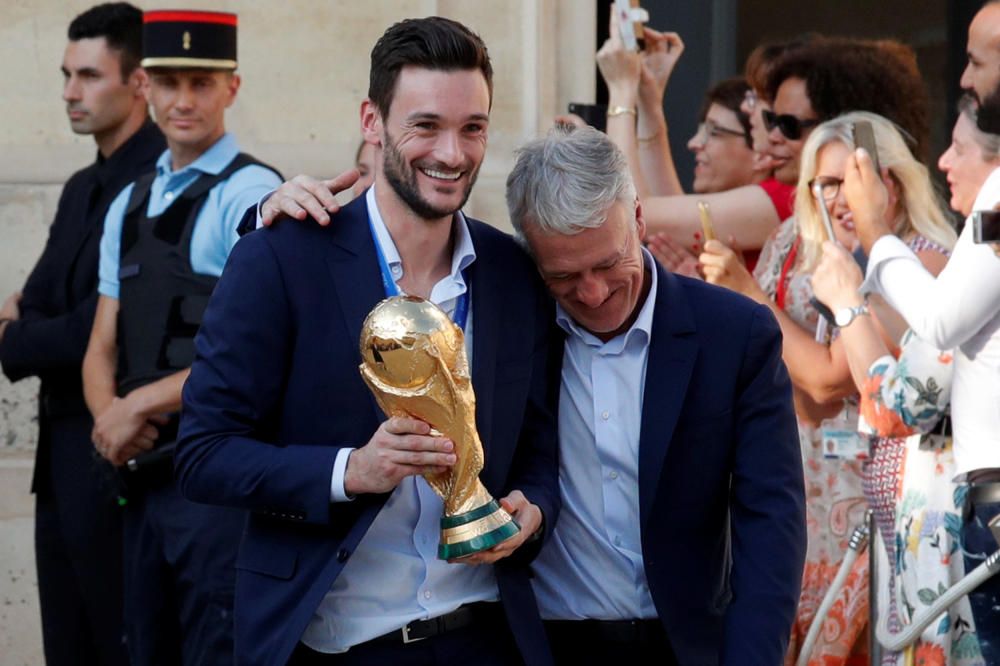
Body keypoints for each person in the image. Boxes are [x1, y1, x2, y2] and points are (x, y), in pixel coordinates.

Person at [175, 17, 560, 666]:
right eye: (426, 126)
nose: (453, 153)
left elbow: (541, 449)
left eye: (473, 128)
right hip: (336, 643)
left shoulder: (514, 274)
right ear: (372, 122)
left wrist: (534, 508)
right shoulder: (280, 259)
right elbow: (204, 454)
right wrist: (348, 472)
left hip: (489, 637)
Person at [504, 126, 805, 664]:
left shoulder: (735, 335)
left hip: (686, 645)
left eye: (608, 263)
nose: (593, 294)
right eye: (565, 276)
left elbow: (771, 522)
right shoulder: (510, 331)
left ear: (638, 219)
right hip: (542, 643)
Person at [699, 111, 955, 664]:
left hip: (881, 529)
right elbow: (793, 392)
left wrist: (747, 293)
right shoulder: (801, 250)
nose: (841, 198)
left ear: (892, 180)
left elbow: (827, 378)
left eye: (854, 178)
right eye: (826, 184)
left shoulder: (922, 260)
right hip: (800, 519)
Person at [80, 9, 282, 664]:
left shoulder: (252, 192)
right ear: (145, 87)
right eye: (170, 83)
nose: (184, 100)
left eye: (203, 82)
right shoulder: (129, 200)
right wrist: (109, 418)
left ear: (233, 87)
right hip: (139, 484)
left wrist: (134, 407)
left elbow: (258, 355)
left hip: (216, 491)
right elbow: (102, 342)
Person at [0, 4, 163, 665]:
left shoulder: (161, 180)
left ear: (139, 82)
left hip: (123, 458)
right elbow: (40, 307)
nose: (70, 92)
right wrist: (28, 329)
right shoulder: (77, 188)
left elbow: (102, 328)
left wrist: (19, 333)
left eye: (89, 75)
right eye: (68, 75)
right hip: (57, 468)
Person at [810, 95, 998, 663]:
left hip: (953, 540)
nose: (943, 161)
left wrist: (847, 306)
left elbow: (897, 405)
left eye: (959, 148)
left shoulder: (946, 263)